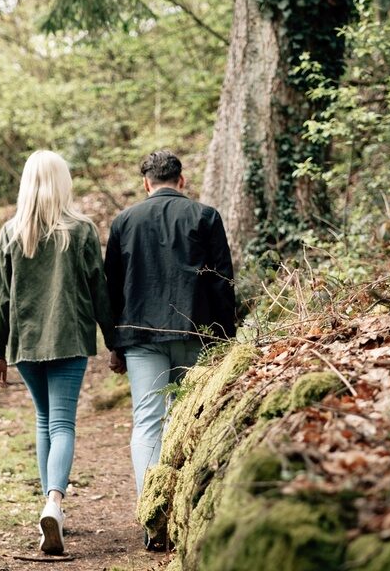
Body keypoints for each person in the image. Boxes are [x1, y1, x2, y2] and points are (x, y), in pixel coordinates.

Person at [104, 151, 236, 547]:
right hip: (197, 333)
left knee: (147, 422)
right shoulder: (205, 217)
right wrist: (225, 339)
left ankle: (152, 517)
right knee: (186, 422)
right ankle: (182, 511)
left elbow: (112, 287)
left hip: (141, 336)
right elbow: (222, 281)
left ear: (146, 182)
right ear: (181, 179)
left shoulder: (124, 221)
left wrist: (114, 342)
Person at [0, 150, 114, 555]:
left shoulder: (10, 232)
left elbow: (1, 299)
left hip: (25, 344)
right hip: (68, 340)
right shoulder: (80, 230)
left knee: (44, 420)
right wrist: (114, 340)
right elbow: (99, 289)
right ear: (63, 183)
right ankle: (54, 503)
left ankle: (49, 507)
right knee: (62, 424)